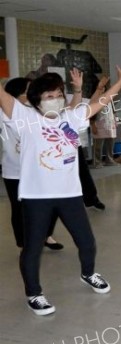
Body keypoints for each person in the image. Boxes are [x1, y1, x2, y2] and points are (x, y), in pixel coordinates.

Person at [0, 66, 121, 315]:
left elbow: (101, 102)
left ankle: (88, 273)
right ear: (36, 100)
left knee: (87, 242)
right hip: (36, 197)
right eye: (49, 96)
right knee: (33, 248)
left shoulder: (71, 117)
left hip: (70, 194)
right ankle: (34, 293)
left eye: (59, 94)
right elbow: (3, 97)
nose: (55, 99)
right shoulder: (25, 118)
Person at [1, 77, 63, 250]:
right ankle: (24, 244)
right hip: (14, 171)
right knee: (19, 208)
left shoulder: (37, 111)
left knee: (53, 205)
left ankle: (46, 235)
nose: (31, 93)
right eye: (27, 90)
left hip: (39, 169)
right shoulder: (5, 112)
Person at [90, 77, 118, 168]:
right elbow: (91, 113)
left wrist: (115, 121)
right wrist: (93, 124)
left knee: (110, 143)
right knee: (98, 144)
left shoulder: (108, 98)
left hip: (109, 124)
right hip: (99, 124)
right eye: (101, 87)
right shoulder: (95, 99)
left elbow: (112, 110)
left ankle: (109, 159)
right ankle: (97, 162)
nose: (103, 89)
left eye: (104, 87)